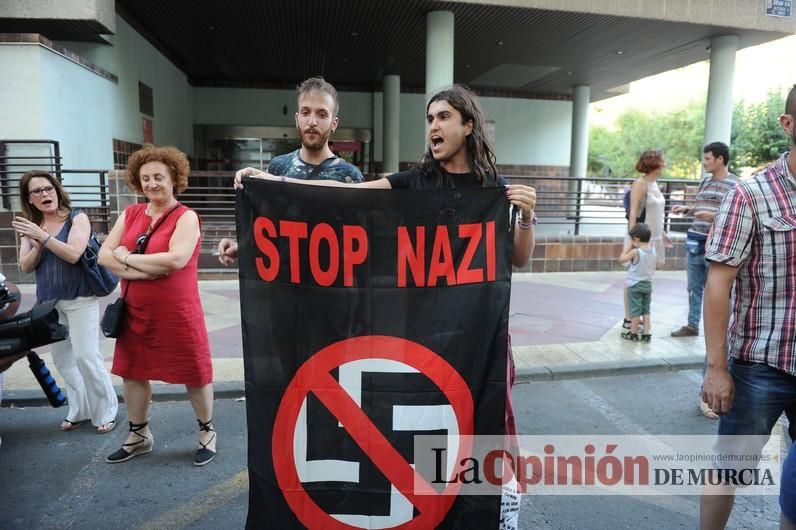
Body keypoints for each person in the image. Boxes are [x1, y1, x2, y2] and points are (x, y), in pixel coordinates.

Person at [236, 84, 535, 529]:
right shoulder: (412, 183)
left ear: (468, 126)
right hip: (421, 333)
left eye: (443, 117)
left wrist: (526, 216)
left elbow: (519, 257)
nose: (433, 126)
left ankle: (499, 503)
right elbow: (346, 197)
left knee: (487, 418)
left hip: (477, 332)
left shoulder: (493, 190)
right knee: (419, 424)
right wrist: (271, 184)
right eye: (429, 119)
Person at [700, 85, 796, 530]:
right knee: (730, 468)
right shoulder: (751, 193)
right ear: (788, 124)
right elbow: (719, 282)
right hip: (762, 363)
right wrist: (717, 367)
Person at [98, 145, 217, 466]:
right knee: (132, 372)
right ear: (138, 181)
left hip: (177, 312)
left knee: (194, 372)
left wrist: (127, 257)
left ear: (174, 178)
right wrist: (146, 268)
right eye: (146, 178)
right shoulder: (131, 214)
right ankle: (139, 435)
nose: (152, 183)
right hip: (135, 311)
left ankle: (207, 432)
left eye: (159, 177)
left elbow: (176, 259)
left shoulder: (186, 216)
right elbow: (103, 256)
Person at [12, 170, 118, 434]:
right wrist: (36, 243)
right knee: (63, 361)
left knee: (86, 357)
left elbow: (73, 254)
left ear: (57, 190)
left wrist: (44, 238)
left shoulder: (76, 217)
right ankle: (80, 409)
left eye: (48, 188)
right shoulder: (31, 225)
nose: (44, 194)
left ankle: (105, 410)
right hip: (49, 304)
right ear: (30, 199)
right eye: (36, 191)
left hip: (80, 298)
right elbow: (24, 267)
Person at [217, 76, 363, 265]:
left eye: (322, 114)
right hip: (285, 283)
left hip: (332, 286)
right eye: (305, 112)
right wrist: (241, 246)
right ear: (297, 118)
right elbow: (267, 225)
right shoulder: (278, 167)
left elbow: (360, 240)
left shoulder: (350, 176)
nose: (312, 121)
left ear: (334, 123)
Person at [671, 142, 739, 338]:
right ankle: (692, 325)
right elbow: (702, 206)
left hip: (716, 246)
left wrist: (713, 217)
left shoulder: (735, 185)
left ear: (720, 159)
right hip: (694, 241)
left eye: (708, 158)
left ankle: (722, 330)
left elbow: (735, 215)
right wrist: (687, 210)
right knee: (693, 287)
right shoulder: (704, 182)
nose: (704, 162)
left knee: (718, 291)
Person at [623, 150, 671, 331]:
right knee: (633, 277)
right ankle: (629, 317)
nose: (665, 164)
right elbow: (633, 212)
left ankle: (637, 315)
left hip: (655, 238)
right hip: (640, 238)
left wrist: (664, 234)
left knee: (645, 278)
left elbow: (656, 214)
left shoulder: (655, 184)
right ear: (654, 163)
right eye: (662, 161)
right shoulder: (640, 183)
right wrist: (632, 240)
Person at [618, 223, 656, 342]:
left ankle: (633, 333)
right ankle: (646, 334)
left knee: (635, 311)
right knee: (646, 310)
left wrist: (628, 247)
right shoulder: (653, 250)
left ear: (636, 238)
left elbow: (621, 259)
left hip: (634, 286)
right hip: (648, 284)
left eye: (632, 239)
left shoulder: (636, 252)